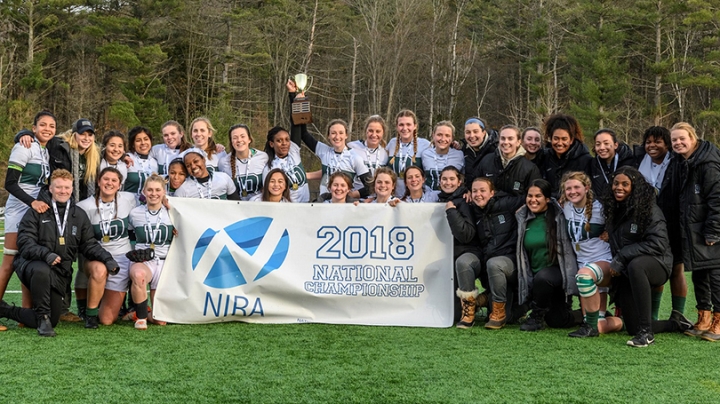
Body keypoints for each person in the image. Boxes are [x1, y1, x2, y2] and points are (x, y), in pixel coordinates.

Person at [0, 169, 118, 337]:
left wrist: (108, 260)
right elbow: (25, 243)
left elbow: (89, 244)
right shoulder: (37, 210)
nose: (63, 191)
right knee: (42, 270)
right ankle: (43, 319)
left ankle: (5, 310)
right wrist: (45, 254)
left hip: (60, 271)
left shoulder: (79, 215)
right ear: (50, 189)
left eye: (67, 187)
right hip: (32, 266)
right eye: (58, 187)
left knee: (53, 319)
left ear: (72, 189)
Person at [602, 166, 692, 347]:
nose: (619, 187)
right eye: (616, 183)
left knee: (637, 265)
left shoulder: (649, 209)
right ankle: (674, 323)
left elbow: (657, 243)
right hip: (629, 267)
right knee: (632, 326)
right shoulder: (614, 208)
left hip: (657, 263)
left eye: (625, 184)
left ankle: (647, 334)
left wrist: (621, 257)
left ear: (635, 187)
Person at [0, 112, 56, 332]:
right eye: (42, 125)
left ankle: (26, 313)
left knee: (27, 260)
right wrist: (32, 202)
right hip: (19, 208)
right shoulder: (24, 146)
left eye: (52, 126)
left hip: (34, 211)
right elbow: (10, 183)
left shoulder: (45, 151)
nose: (47, 129)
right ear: (33, 128)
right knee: (9, 263)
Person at [671, 122, 720, 341]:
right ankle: (704, 317)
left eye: (682, 138)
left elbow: (717, 199)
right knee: (700, 274)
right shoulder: (683, 162)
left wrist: (713, 231)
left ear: (693, 138)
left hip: (708, 230)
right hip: (691, 229)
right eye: (674, 140)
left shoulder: (708, 163)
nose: (678, 143)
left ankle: (719, 320)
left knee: (716, 276)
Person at [559, 171, 623, 337]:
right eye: (568, 188)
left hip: (603, 260)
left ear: (586, 188)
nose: (572, 191)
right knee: (598, 323)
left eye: (576, 187)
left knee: (584, 277)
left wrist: (610, 233)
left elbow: (620, 222)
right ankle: (620, 322)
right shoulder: (565, 206)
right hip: (582, 261)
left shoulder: (599, 208)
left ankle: (593, 326)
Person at [635, 126, 686, 320]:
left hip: (673, 222)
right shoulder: (639, 161)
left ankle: (678, 315)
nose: (652, 146)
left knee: (676, 269)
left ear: (667, 144)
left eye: (657, 142)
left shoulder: (677, 163)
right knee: (655, 266)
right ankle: (653, 316)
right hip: (649, 223)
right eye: (648, 142)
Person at [76, 167, 137, 328]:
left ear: (119, 185)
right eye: (106, 179)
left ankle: (121, 307)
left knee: (107, 320)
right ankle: (90, 315)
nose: (109, 183)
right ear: (98, 181)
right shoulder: (84, 206)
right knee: (100, 270)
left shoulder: (129, 199)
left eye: (114, 180)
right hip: (97, 257)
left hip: (121, 259)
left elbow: (152, 199)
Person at [517, 179, 581, 331]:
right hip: (532, 276)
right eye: (530, 196)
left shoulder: (560, 216)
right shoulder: (521, 217)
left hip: (554, 275)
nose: (533, 200)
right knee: (556, 321)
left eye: (538, 196)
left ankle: (537, 316)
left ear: (547, 199)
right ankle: (577, 313)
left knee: (544, 278)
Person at [470, 177, 525, 330]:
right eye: (474, 191)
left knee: (494, 264)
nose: (478, 194)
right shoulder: (474, 210)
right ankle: (487, 298)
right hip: (491, 265)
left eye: (482, 191)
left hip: (510, 261)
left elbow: (530, 198)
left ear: (492, 193)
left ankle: (497, 311)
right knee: (512, 317)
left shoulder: (506, 204)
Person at [127, 174, 174, 329]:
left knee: (160, 321)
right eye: (150, 190)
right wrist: (133, 251)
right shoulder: (135, 213)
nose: (154, 193)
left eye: (158, 190)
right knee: (138, 275)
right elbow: (130, 236)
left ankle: (147, 313)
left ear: (164, 192)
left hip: (165, 261)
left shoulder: (172, 213)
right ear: (144, 191)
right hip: (144, 261)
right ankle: (141, 317)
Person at [440, 167, 482, 328]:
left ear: (459, 182)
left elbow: (466, 235)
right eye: (444, 179)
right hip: (445, 255)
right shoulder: (438, 200)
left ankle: (472, 305)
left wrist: (451, 211)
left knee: (456, 314)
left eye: (452, 179)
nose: (448, 182)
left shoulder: (465, 201)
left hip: (466, 254)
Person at [476, 125, 541, 197]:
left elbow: (532, 197)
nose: (506, 142)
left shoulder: (530, 168)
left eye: (510, 139)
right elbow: (476, 187)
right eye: (503, 138)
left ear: (518, 142)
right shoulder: (486, 160)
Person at [539, 114, 592, 197]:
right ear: (551, 138)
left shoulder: (585, 160)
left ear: (571, 140)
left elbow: (588, 190)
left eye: (564, 139)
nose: (560, 143)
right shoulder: (545, 157)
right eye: (556, 138)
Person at [386, 110, 431, 197]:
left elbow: (440, 150)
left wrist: (453, 144)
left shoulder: (425, 144)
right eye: (401, 125)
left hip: (416, 196)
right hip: (394, 196)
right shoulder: (392, 143)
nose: (405, 128)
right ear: (396, 126)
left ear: (415, 126)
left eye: (408, 124)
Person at [219, 124, 268, 200]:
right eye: (235, 138)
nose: (239, 140)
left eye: (242, 136)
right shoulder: (223, 162)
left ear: (249, 139)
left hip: (258, 207)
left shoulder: (263, 157)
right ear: (231, 141)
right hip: (236, 208)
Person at [264, 126, 309, 203]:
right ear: (271, 144)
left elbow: (296, 124)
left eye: (287, 139)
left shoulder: (293, 152)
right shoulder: (269, 167)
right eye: (279, 140)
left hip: (306, 205)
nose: (284, 143)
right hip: (286, 208)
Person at [175, 148, 239, 200]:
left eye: (196, 161)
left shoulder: (223, 178)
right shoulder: (183, 190)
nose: (193, 166)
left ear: (203, 160)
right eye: (188, 165)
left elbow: (237, 204)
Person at [588, 128, 635, 198]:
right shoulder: (592, 164)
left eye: (606, 143)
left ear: (615, 145)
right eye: (598, 144)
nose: (602, 147)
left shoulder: (630, 162)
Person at [348, 115, 390, 192]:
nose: (374, 135)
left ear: (383, 133)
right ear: (365, 131)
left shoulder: (386, 153)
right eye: (371, 131)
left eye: (378, 131)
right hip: (355, 197)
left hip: (377, 197)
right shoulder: (352, 147)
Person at [420, 121, 465, 191]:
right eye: (439, 135)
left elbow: (465, 177)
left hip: (452, 199)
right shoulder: (425, 154)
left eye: (447, 135)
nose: (443, 139)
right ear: (433, 135)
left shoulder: (459, 155)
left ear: (452, 138)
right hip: (429, 199)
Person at [460, 117, 498, 188]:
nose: (472, 136)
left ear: (483, 133)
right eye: (468, 132)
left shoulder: (496, 150)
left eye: (475, 131)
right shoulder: (464, 151)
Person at [124, 126, 159, 196]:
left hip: (149, 203)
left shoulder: (155, 162)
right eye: (138, 140)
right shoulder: (127, 159)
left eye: (146, 139)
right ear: (133, 144)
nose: (143, 143)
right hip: (128, 203)